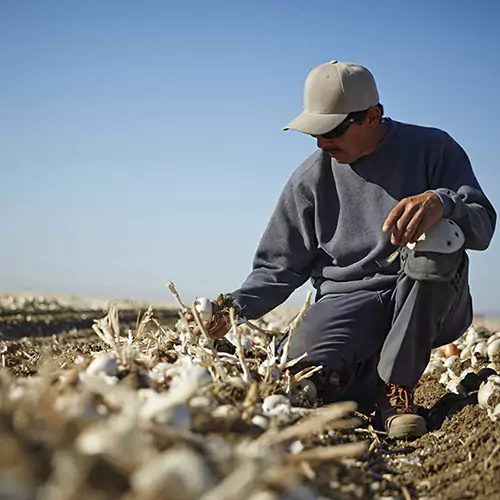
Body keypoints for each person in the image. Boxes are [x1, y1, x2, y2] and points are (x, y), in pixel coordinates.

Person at [188, 60, 496, 439]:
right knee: (299, 376)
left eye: (331, 130)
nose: (322, 142)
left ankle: (397, 390)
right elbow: (277, 269)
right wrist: (232, 308)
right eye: (314, 132)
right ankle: (366, 381)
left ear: (372, 116)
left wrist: (442, 202)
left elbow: (482, 227)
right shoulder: (308, 181)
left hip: (430, 298)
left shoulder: (434, 148)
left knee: (439, 235)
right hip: (349, 303)